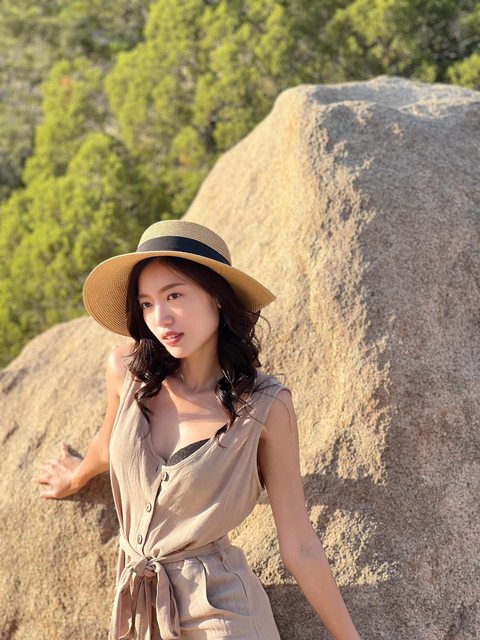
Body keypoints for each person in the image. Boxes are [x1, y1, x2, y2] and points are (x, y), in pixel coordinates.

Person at [32, 220, 361, 640]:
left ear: (217, 297)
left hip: (223, 616)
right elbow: (110, 441)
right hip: (138, 611)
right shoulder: (127, 371)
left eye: (174, 295)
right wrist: (77, 475)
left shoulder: (265, 407)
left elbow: (300, 545)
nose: (161, 318)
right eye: (146, 303)